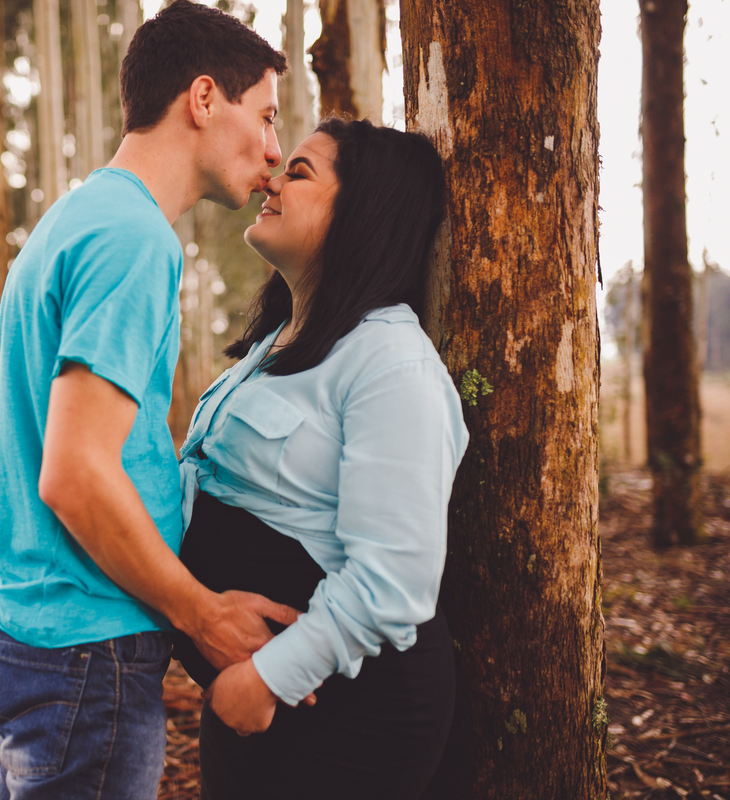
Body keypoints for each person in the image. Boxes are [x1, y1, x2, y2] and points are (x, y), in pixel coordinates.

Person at [0, 3, 294, 798]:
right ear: (205, 98)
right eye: (267, 115)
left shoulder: (81, 217)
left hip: (41, 637)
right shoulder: (133, 240)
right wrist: (201, 613)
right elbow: (75, 474)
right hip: (87, 652)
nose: (276, 150)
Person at [170, 117, 469, 799]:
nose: (272, 179)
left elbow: (396, 577)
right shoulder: (275, 343)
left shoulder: (390, 361)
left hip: (345, 712)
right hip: (256, 691)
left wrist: (270, 676)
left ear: (362, 208)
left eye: (299, 171)